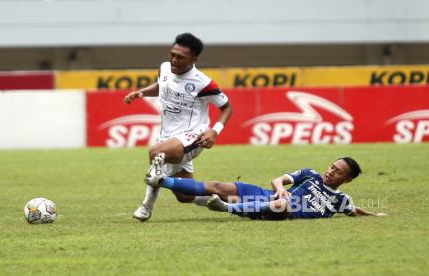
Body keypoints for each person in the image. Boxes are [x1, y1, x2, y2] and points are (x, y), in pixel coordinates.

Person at [124, 33, 233, 221]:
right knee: (185, 195)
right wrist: (142, 92)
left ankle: (146, 206)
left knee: (156, 153)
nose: (174, 60)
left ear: (194, 59)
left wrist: (215, 131)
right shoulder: (165, 68)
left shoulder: (203, 82)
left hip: (195, 136)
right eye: (172, 54)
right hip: (169, 137)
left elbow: (226, 107)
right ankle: (230, 202)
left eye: (180, 57)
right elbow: (162, 85)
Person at [144, 156, 388, 220]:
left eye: (338, 172)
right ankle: (161, 180)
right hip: (267, 196)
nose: (331, 171)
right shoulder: (310, 174)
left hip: (281, 212)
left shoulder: (341, 199)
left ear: (347, 179)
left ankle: (227, 208)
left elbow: (354, 210)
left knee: (284, 205)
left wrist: (375, 214)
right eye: (332, 166)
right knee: (218, 185)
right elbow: (277, 180)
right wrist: (281, 187)